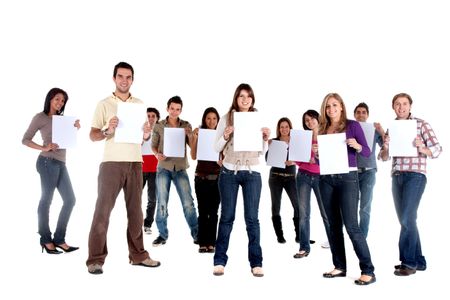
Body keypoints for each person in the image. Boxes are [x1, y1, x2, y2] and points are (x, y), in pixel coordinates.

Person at [86, 62, 160, 275]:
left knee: (136, 213)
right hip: (111, 164)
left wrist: (146, 133)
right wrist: (108, 129)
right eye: (120, 76)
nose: (124, 80)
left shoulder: (139, 104)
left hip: (136, 163)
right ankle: (95, 259)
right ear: (114, 78)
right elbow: (92, 135)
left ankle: (138, 255)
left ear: (132, 80)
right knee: (102, 212)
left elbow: (142, 137)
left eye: (128, 77)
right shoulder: (104, 104)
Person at [379, 93, 442, 276]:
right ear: (393, 107)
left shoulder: (421, 124)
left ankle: (409, 263)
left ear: (410, 105)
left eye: (405, 104)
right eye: (397, 104)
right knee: (407, 220)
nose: (401, 107)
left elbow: (438, 149)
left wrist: (422, 148)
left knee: (407, 218)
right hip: (397, 176)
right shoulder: (392, 128)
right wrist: (385, 147)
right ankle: (419, 261)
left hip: (415, 176)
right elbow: (383, 158)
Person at [318, 93, 376, 285]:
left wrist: (357, 145)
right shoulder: (323, 128)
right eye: (327, 106)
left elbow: (366, 151)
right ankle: (340, 267)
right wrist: (317, 154)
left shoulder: (352, 125)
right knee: (333, 225)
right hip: (326, 179)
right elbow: (322, 159)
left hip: (347, 178)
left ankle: (368, 270)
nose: (331, 109)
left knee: (351, 225)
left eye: (334, 105)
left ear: (341, 106)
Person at [213, 83, 270, 278]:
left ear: (253, 99)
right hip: (230, 171)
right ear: (236, 98)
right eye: (241, 96)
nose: (245, 100)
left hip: (252, 173)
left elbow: (262, 151)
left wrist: (265, 138)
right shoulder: (225, 118)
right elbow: (215, 146)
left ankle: (256, 263)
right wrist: (226, 135)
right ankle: (219, 260)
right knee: (227, 217)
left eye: (249, 96)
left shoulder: (257, 118)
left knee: (252, 219)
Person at [22, 87, 79, 254]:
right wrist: (44, 147)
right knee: (46, 200)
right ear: (50, 99)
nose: (60, 103)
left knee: (70, 200)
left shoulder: (64, 120)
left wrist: (74, 128)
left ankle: (59, 239)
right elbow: (25, 139)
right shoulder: (40, 117)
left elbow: (67, 141)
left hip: (61, 163)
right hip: (47, 162)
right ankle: (46, 239)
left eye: (63, 101)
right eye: (57, 99)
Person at [151, 96, 198, 246]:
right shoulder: (159, 126)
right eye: (172, 108)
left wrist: (190, 135)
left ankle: (197, 234)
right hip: (163, 167)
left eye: (178, 109)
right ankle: (162, 235)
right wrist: (156, 154)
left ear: (181, 110)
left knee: (188, 202)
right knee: (162, 202)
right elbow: (154, 145)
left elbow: (192, 148)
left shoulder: (186, 125)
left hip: (180, 168)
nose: (174, 112)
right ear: (167, 109)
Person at [293, 110, 331, 258]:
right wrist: (306, 160)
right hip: (303, 175)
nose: (310, 122)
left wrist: (319, 156)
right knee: (303, 214)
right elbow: (296, 157)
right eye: (306, 120)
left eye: (312, 119)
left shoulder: (326, 135)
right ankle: (304, 247)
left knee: (326, 213)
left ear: (318, 118)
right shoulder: (302, 137)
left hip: (321, 177)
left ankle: (335, 243)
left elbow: (333, 157)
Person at [190, 107, 221, 253]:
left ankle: (211, 243)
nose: (211, 121)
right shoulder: (200, 133)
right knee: (203, 211)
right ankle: (202, 242)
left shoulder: (222, 136)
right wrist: (194, 138)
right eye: (208, 118)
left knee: (213, 212)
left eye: (214, 118)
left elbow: (225, 157)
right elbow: (194, 155)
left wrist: (222, 161)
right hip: (201, 178)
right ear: (204, 119)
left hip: (217, 179)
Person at [353, 103, 384, 238]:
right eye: (358, 112)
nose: (361, 114)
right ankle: (337, 238)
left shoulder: (374, 130)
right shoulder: (349, 129)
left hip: (369, 172)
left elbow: (386, 145)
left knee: (365, 207)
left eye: (364, 112)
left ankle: (362, 238)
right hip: (352, 171)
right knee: (347, 207)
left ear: (367, 115)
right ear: (354, 115)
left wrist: (381, 130)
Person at [266, 117, 299, 244]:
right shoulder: (274, 141)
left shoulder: (296, 142)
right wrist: (269, 147)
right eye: (281, 127)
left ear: (290, 128)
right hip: (275, 177)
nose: (284, 129)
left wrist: (293, 161)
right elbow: (268, 160)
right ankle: (279, 235)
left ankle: (299, 235)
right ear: (278, 129)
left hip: (291, 178)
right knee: (276, 206)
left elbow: (302, 158)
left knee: (297, 205)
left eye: (286, 126)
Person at [142, 107, 160, 234]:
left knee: (152, 199)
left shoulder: (160, 131)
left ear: (157, 118)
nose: (151, 118)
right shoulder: (140, 129)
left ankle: (147, 224)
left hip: (155, 169)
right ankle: (135, 222)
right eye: (148, 115)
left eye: (153, 116)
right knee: (135, 198)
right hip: (141, 167)